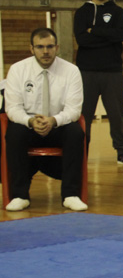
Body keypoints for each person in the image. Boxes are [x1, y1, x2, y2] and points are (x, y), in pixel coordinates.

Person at [4, 27, 87, 212]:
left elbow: (74, 109)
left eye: (50, 46)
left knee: (75, 132)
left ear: (57, 47)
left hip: (58, 124)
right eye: (40, 47)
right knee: (14, 132)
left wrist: (53, 120)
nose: (45, 51)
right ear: (31, 48)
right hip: (29, 124)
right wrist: (30, 121)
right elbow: (12, 107)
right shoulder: (18, 70)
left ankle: (71, 194)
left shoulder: (71, 71)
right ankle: (19, 195)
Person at [73, 0, 123, 166]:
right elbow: (82, 39)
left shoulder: (118, 12)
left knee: (116, 115)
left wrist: (95, 31)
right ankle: (81, 154)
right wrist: (106, 35)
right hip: (86, 72)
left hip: (112, 72)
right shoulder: (82, 12)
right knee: (84, 116)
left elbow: (121, 35)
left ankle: (122, 152)